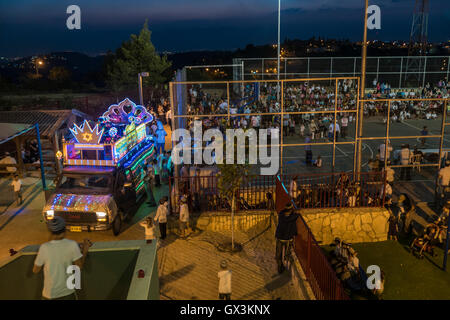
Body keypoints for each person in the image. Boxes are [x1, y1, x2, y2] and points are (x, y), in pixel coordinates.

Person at [33, 216, 90, 300]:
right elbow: (79, 267)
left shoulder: (44, 247)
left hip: (49, 294)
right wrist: (85, 250)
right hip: (67, 293)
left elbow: (35, 270)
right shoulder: (72, 245)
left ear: (50, 230)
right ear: (64, 229)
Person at [275, 202, 299, 274]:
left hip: (280, 237)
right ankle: (286, 266)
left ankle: (280, 267)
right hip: (287, 238)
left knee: (278, 254)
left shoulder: (281, 215)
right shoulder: (293, 217)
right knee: (287, 254)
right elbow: (291, 219)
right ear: (291, 209)